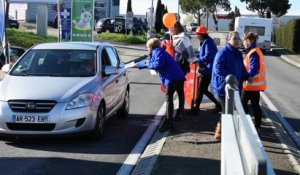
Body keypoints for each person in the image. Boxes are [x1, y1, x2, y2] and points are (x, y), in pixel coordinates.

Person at [135, 38, 186, 132]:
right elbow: (152, 62)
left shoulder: (157, 51)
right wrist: (140, 65)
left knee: (169, 99)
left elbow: (158, 64)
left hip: (172, 77)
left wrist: (147, 63)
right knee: (173, 97)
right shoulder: (160, 51)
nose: (147, 49)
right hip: (177, 75)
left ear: (150, 47)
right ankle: (173, 119)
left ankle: (168, 122)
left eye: (147, 47)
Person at [211, 31, 249, 140]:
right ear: (228, 40)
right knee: (226, 111)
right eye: (234, 39)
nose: (237, 41)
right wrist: (231, 78)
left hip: (235, 87)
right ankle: (220, 131)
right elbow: (218, 69)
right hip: (223, 87)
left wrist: (247, 76)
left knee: (231, 110)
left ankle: (227, 130)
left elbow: (242, 68)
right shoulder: (222, 53)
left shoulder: (238, 53)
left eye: (238, 38)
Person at [168, 22, 197, 119]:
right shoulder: (175, 37)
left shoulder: (184, 37)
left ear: (176, 28)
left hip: (181, 66)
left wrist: (174, 48)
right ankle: (178, 112)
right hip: (175, 66)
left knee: (178, 89)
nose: (170, 30)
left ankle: (179, 112)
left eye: (172, 28)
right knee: (177, 89)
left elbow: (188, 54)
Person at [192, 26, 221, 114]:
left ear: (201, 34)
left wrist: (199, 60)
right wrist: (196, 57)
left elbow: (209, 56)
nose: (196, 36)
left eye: (197, 34)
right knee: (202, 89)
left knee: (202, 89)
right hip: (207, 68)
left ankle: (218, 105)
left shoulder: (208, 42)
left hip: (208, 69)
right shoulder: (206, 41)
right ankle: (197, 108)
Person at [241, 32, 267, 132]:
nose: (243, 43)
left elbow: (253, 69)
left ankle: (249, 125)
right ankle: (257, 126)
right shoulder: (256, 51)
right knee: (255, 105)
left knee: (243, 105)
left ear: (248, 41)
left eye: (243, 41)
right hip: (254, 85)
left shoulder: (253, 53)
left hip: (250, 84)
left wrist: (246, 76)